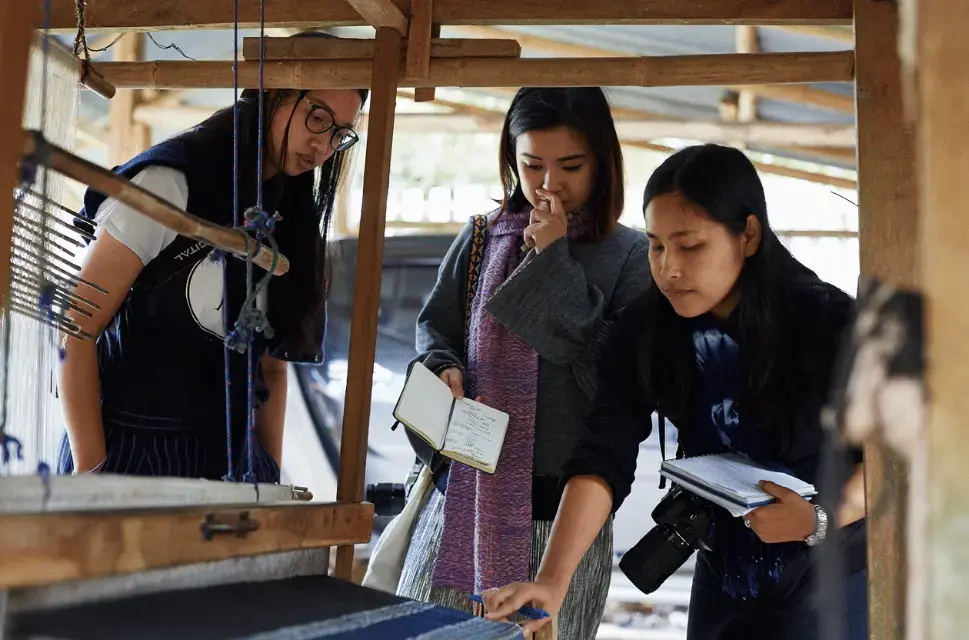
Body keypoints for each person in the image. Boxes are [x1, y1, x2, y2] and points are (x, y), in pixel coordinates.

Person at [484, 144, 868, 640]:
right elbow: (603, 454)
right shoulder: (647, 329)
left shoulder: (828, 323)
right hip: (722, 572)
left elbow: (898, 459)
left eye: (690, 246)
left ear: (748, 235)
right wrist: (552, 583)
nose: (669, 268)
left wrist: (818, 517)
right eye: (656, 245)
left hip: (831, 578)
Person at [393, 87, 649, 639]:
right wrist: (443, 367)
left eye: (571, 166)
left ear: (604, 164)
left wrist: (553, 258)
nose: (549, 183)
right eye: (532, 164)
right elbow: (436, 327)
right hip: (459, 503)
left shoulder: (630, 256)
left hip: (559, 523)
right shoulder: (483, 236)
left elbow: (607, 375)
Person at [56, 33, 368, 483]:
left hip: (230, 464)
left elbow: (272, 367)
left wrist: (267, 477)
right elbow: (76, 328)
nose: (323, 146)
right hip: (128, 452)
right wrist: (91, 468)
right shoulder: (170, 182)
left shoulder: (291, 216)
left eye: (340, 134)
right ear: (273, 93)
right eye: (317, 118)